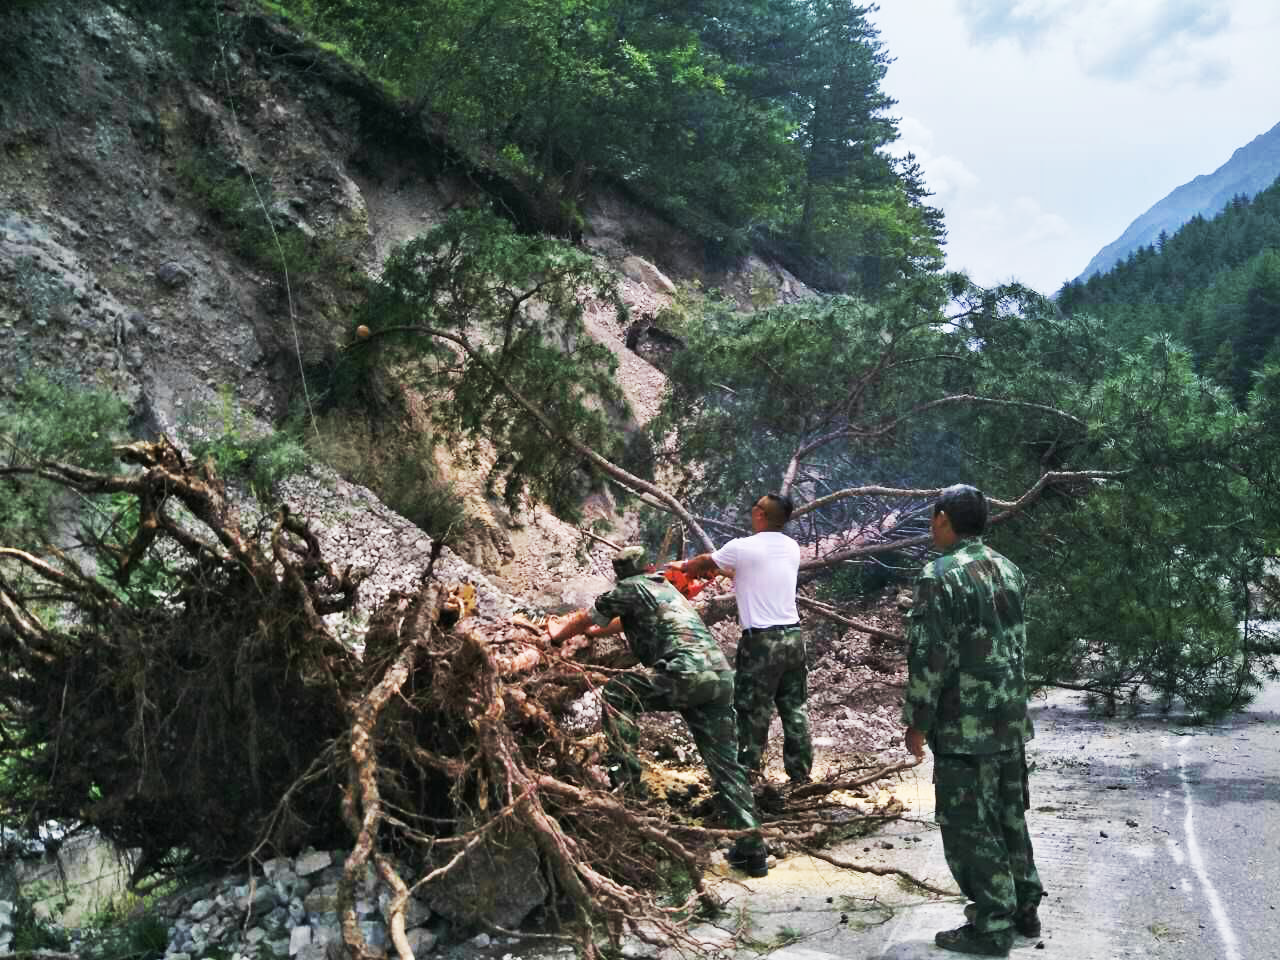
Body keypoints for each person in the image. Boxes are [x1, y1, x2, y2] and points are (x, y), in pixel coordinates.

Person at [546, 545, 770, 877]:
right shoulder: (663, 587)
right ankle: (752, 851)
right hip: (719, 677)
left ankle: (628, 783)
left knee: (619, 692)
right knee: (726, 766)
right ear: (647, 565)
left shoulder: (628, 587)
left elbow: (585, 617)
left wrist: (557, 634)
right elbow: (619, 622)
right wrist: (593, 633)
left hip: (685, 673)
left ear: (620, 573)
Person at [902, 484, 1044, 957]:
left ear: (943, 518)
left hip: (965, 725)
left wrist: (917, 721)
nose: (930, 526)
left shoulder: (939, 575)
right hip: (1009, 718)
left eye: (932, 518)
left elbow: (929, 656)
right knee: (1008, 815)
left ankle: (991, 924)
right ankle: (1024, 907)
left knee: (968, 825)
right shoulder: (1009, 568)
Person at [671, 493, 811, 784]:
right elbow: (740, 568)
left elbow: (703, 563)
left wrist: (682, 567)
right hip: (794, 637)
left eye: (755, 508)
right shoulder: (791, 547)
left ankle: (748, 777)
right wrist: (719, 570)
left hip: (761, 642)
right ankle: (800, 777)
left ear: (760, 514)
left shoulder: (741, 547)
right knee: (794, 708)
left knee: (752, 710)